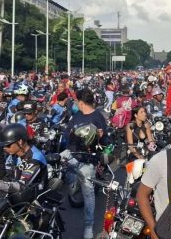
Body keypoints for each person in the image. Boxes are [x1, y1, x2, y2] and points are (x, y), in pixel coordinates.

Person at [62, 88, 109, 239]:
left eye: (76, 101)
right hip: (71, 158)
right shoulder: (76, 116)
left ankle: (88, 226)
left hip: (88, 161)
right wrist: (69, 134)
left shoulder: (98, 117)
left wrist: (99, 138)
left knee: (88, 193)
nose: (75, 104)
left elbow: (106, 142)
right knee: (71, 185)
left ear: (81, 102)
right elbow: (66, 134)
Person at [0, 123, 47, 203]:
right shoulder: (14, 154)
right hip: (16, 195)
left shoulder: (35, 158)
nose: (4, 148)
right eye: (3, 145)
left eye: (7, 145)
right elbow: (8, 175)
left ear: (20, 142)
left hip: (33, 200)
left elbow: (21, 186)